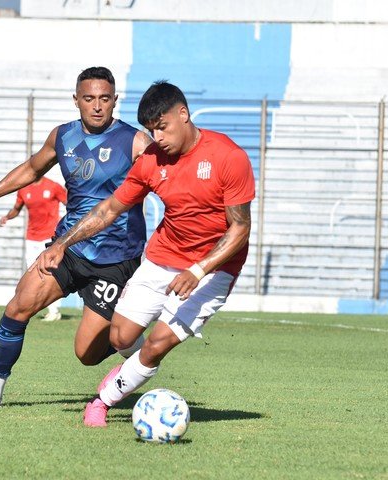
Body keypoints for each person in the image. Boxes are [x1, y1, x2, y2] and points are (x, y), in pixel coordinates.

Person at [34, 81, 255, 427]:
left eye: (162, 127)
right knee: (120, 337)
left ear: (183, 114)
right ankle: (134, 369)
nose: (158, 137)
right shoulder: (152, 160)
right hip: (162, 258)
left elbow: (240, 228)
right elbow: (109, 209)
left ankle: (102, 402)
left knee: (155, 345)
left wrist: (198, 270)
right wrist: (63, 243)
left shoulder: (229, 157)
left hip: (213, 269)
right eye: (152, 130)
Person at [0, 66, 153, 409]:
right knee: (18, 306)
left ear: (115, 100)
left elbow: (165, 184)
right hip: (68, 248)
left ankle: (136, 348)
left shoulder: (136, 142)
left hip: (116, 258)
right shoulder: (62, 136)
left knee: (87, 355)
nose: (97, 106)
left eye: (105, 98)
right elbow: (31, 169)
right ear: (76, 100)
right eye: (89, 98)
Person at [0, 176, 67, 322]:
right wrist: (7, 217)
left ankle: (54, 311)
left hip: (50, 236)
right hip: (31, 237)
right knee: (32, 273)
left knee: (49, 273)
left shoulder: (53, 186)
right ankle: (36, 308)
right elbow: (16, 209)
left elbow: (70, 203)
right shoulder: (24, 189)